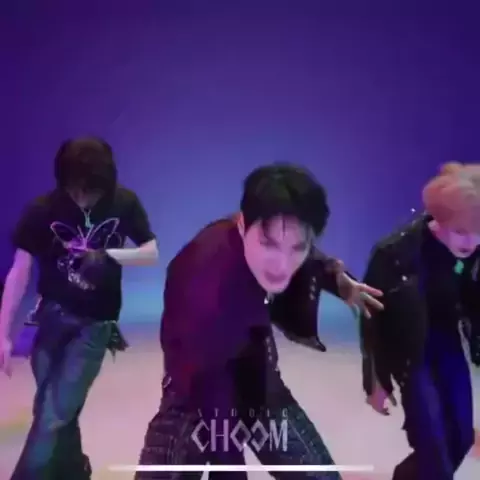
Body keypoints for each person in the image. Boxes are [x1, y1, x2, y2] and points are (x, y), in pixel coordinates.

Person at [136, 163, 383, 479]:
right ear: (242, 226)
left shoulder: (270, 230)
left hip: (256, 372)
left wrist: (336, 280)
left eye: (296, 249)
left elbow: (302, 247)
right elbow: (210, 391)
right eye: (268, 245)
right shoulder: (205, 288)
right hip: (194, 389)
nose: (282, 265)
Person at [0, 137, 158, 479]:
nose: (83, 198)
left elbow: (151, 252)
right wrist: (3, 335)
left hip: (95, 326)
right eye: (76, 190)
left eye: (91, 192)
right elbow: (19, 271)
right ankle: (74, 470)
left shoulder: (124, 203)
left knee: (53, 414)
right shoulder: (43, 210)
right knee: (56, 410)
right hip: (50, 318)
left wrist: (109, 255)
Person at [360, 162, 480, 479]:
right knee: (433, 447)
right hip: (408, 351)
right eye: (461, 232)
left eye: (479, 233)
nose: (471, 243)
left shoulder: (474, 252)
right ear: (439, 220)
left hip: (446, 342)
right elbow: (370, 318)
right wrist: (375, 380)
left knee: (461, 437)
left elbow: (473, 301)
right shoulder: (394, 252)